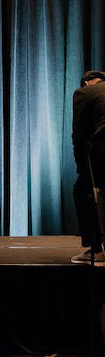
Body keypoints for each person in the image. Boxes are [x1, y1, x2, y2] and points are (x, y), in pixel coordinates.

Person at [71, 70, 105, 265]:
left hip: (102, 148)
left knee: (82, 191)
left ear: (87, 83)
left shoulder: (85, 93)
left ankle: (96, 249)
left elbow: (79, 133)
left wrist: (81, 165)